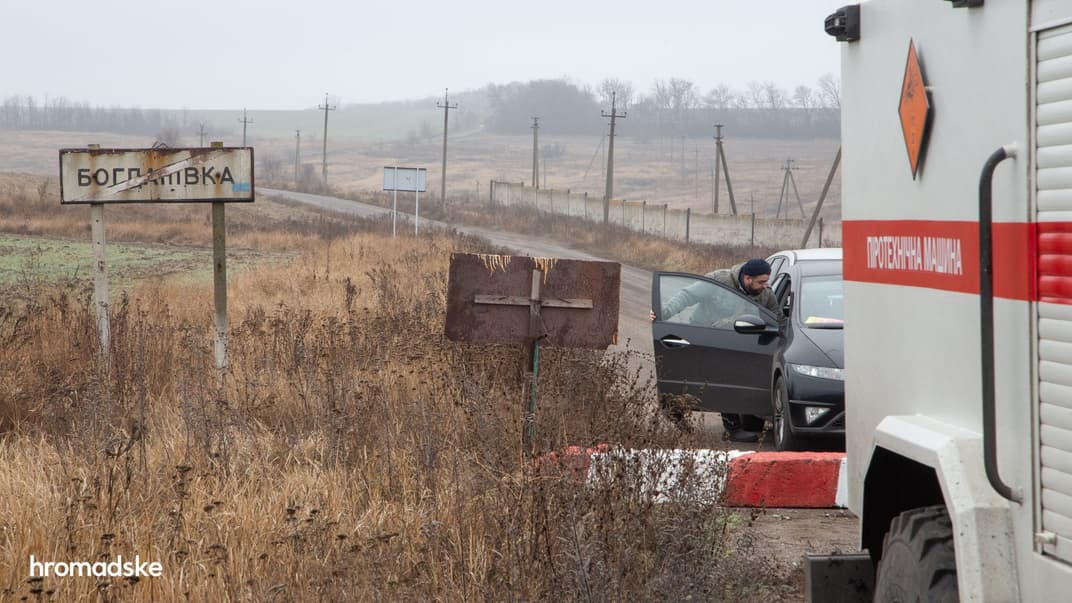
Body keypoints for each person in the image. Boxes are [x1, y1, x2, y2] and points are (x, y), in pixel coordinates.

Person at [650, 258, 782, 443]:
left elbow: (777, 318)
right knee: (689, 382)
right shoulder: (719, 281)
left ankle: (732, 429)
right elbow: (687, 295)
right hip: (702, 337)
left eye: (766, 281)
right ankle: (675, 415)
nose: (765, 285)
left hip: (738, 344)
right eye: (761, 282)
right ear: (747, 278)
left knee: (729, 379)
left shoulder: (766, 294)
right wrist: (663, 312)